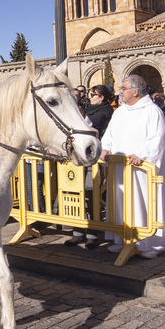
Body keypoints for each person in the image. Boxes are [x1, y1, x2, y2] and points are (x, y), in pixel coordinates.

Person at [99, 74, 165, 259]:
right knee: (120, 203)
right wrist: (105, 149)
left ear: (135, 91)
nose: (119, 92)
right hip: (120, 168)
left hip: (141, 170)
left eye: (123, 89)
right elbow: (110, 135)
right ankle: (122, 238)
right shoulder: (120, 112)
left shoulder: (152, 111)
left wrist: (142, 155)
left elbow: (158, 139)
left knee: (144, 203)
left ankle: (149, 243)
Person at [64, 83, 114, 248]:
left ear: (101, 98)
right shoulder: (86, 112)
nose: (89, 97)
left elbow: (91, 128)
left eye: (93, 95)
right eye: (90, 94)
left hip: (94, 160)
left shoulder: (104, 112)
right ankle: (77, 232)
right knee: (75, 194)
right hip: (78, 160)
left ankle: (92, 234)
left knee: (91, 195)